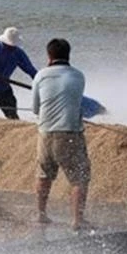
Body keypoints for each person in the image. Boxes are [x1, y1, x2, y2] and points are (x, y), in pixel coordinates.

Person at [31, 38, 92, 231]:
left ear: (49, 56)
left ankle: (41, 215)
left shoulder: (40, 76)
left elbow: (35, 109)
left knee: (44, 175)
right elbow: (75, 102)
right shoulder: (78, 76)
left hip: (45, 133)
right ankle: (77, 220)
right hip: (69, 134)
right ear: (68, 54)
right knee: (79, 178)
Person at [0, 27, 39, 119]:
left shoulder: (18, 53)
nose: (10, 47)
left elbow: (30, 69)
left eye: (12, 46)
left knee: (13, 117)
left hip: (4, 88)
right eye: (8, 45)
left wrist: (40, 81)